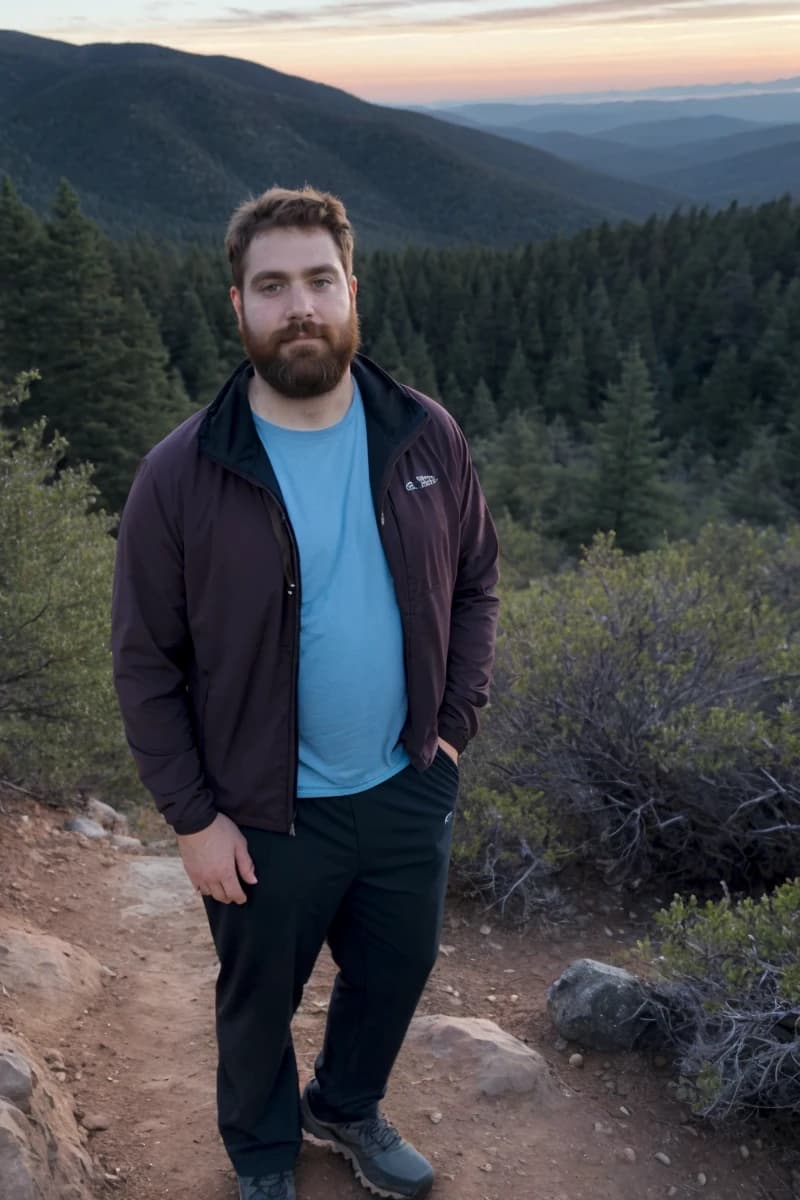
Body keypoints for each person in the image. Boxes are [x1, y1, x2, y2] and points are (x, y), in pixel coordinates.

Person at [111, 186, 500, 1200]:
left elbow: (472, 583)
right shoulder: (183, 473)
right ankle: (262, 1153)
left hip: (405, 785)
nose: (300, 307)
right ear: (236, 306)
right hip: (260, 808)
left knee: (392, 975)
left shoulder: (424, 436)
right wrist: (194, 818)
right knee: (256, 1004)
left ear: (350, 291)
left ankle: (343, 1104)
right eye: (272, 286)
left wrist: (450, 733)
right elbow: (145, 662)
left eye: (318, 281)